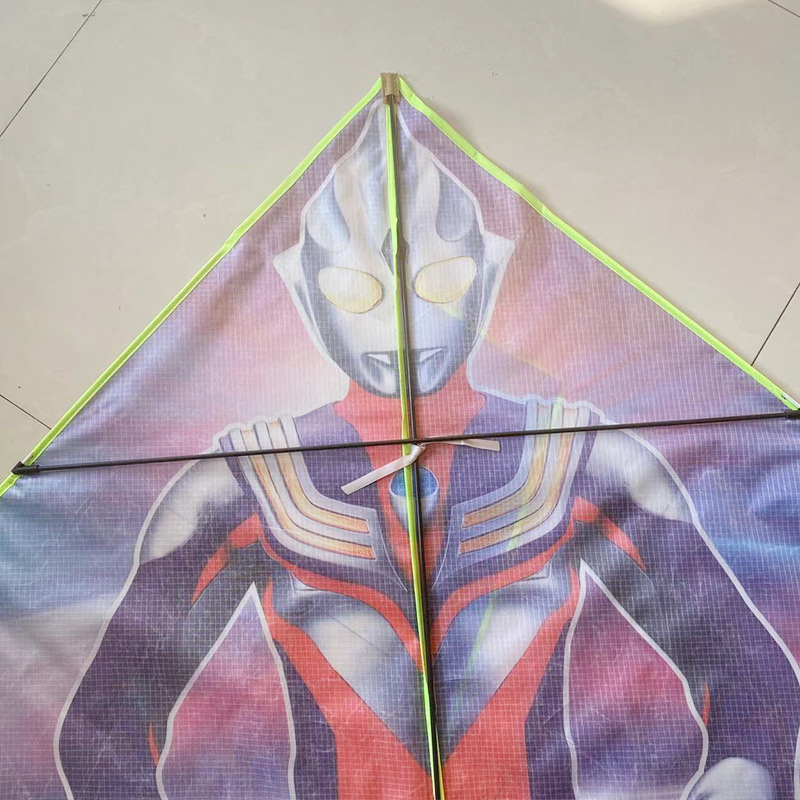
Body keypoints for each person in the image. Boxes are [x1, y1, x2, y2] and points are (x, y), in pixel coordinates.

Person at [58, 103, 800, 800]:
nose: (401, 318)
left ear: (488, 276)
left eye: (441, 281)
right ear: (307, 294)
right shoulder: (244, 482)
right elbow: (107, 719)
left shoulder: (581, 459)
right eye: (356, 291)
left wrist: (746, 761)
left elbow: (746, 671)